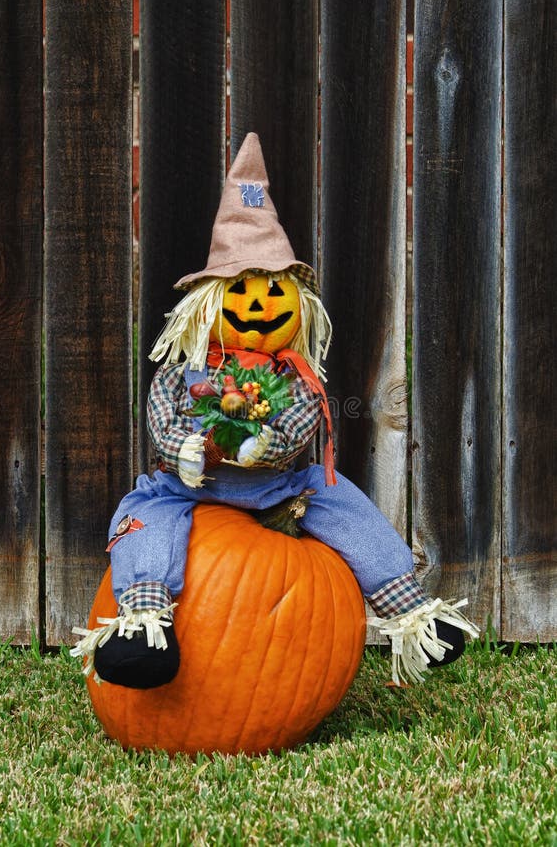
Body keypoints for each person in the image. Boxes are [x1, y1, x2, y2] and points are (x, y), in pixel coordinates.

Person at [72, 133, 478, 688]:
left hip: (279, 490)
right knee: (146, 522)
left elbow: (298, 424)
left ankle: (413, 617)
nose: (259, 304)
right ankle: (145, 630)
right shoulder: (184, 370)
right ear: (208, 302)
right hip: (185, 490)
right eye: (241, 289)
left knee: (345, 505)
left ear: (299, 304)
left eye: (273, 289)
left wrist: (267, 446)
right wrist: (184, 448)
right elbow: (163, 416)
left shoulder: (297, 377)